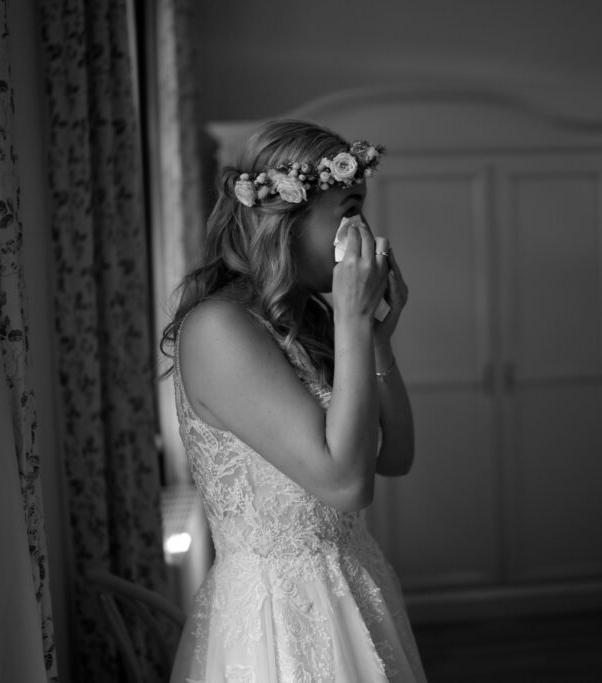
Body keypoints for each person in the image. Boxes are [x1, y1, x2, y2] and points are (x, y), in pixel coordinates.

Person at [161, 119, 428, 681]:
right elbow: (347, 484)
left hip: (355, 590)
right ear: (285, 217)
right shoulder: (219, 328)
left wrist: (375, 339)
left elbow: (395, 457)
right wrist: (354, 321)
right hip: (277, 619)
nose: (363, 228)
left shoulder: (310, 319)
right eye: (349, 208)